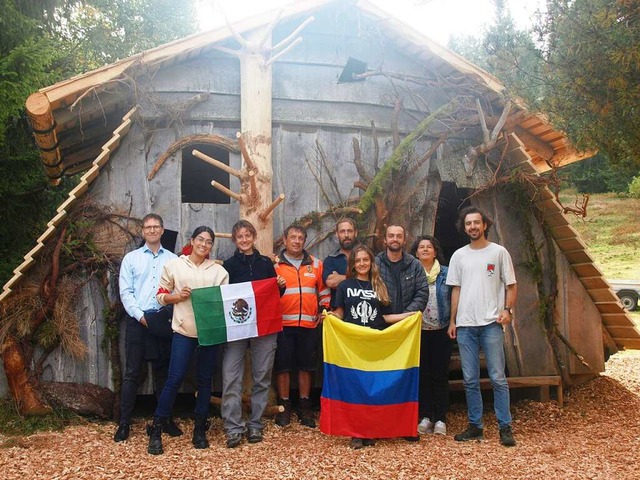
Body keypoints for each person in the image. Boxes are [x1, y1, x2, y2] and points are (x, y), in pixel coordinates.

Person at [147, 226, 229, 455]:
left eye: (208, 242)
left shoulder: (219, 272)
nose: (204, 244)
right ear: (192, 240)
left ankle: (199, 429)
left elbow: (224, 303)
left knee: (205, 381)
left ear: (212, 246)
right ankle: (156, 428)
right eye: (200, 239)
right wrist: (177, 296)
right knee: (174, 379)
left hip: (209, 334)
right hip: (183, 331)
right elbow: (160, 297)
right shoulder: (174, 265)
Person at [327, 244, 416, 449]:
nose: (362, 264)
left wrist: (408, 316)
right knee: (355, 388)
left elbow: (384, 317)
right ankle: (356, 432)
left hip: (375, 343)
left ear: (371, 262)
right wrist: (332, 317)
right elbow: (340, 312)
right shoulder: (345, 286)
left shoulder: (379, 286)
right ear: (353, 264)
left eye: (365, 260)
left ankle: (370, 429)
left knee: (371, 388)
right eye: (358, 260)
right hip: (353, 344)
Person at [446, 206, 517, 447]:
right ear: (464, 227)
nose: (473, 227)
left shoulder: (498, 253)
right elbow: (455, 288)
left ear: (485, 224)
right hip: (465, 325)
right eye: (468, 224)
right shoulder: (459, 256)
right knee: (470, 379)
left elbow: (511, 285)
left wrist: (507, 310)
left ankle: (504, 427)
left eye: (477, 222)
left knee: (498, 377)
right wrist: (453, 320)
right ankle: (475, 426)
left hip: (491, 324)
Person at [115, 213, 180, 442]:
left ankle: (165, 420)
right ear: (143, 231)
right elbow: (126, 292)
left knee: (163, 374)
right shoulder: (131, 259)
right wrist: (140, 316)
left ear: (162, 230)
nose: (152, 230)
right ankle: (124, 424)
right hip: (138, 321)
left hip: (163, 321)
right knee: (132, 373)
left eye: (156, 227)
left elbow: (176, 291)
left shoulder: (173, 260)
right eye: (148, 227)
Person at [221, 220, 286, 448]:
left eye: (248, 235)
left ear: (254, 236)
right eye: (240, 236)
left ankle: (256, 424)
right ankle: (233, 427)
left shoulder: (265, 263)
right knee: (231, 376)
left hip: (264, 326)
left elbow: (274, 294)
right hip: (237, 326)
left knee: (262, 376)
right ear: (234, 239)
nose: (245, 239)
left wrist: (280, 284)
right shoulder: (228, 266)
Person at [273, 223, 330, 428]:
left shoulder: (315, 264)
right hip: (282, 325)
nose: (296, 241)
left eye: (300, 238)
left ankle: (305, 405)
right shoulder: (275, 265)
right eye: (293, 237)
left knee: (306, 366)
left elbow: (323, 290)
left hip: (308, 324)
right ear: (285, 240)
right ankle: (284, 406)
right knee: (283, 366)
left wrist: (325, 308)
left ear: (304, 242)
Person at [375, 224, 428, 441]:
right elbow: (369, 291)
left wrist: (405, 317)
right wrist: (385, 316)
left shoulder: (414, 265)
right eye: (391, 236)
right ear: (385, 240)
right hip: (381, 330)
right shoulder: (375, 263)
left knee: (405, 378)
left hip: (407, 332)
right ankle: (378, 425)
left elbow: (422, 292)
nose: (395, 239)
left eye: (399, 235)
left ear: (404, 240)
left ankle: (405, 426)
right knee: (380, 378)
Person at [411, 235, 452, 436]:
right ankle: (426, 416)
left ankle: (441, 418)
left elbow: (454, 298)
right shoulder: (411, 273)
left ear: (435, 251)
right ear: (416, 252)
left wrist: (453, 321)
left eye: (429, 247)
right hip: (419, 331)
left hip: (441, 330)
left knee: (440, 374)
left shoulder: (446, 273)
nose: (425, 249)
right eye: (421, 247)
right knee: (423, 375)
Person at [323, 218, 358, 309]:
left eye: (349, 231)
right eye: (342, 231)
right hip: (338, 313)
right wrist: (359, 277)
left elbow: (372, 280)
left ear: (356, 233)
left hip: (362, 311)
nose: (346, 235)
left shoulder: (365, 257)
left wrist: (340, 277)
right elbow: (331, 282)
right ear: (337, 234)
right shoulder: (330, 259)